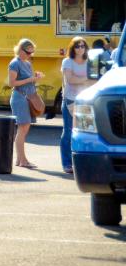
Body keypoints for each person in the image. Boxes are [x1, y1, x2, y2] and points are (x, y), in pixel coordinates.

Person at [9, 38, 44, 169]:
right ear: (20, 50)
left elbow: (29, 81)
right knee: (22, 128)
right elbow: (11, 83)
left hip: (28, 97)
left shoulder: (27, 63)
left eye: (32, 52)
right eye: (28, 52)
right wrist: (30, 78)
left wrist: (35, 77)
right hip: (19, 98)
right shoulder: (14, 63)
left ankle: (20, 159)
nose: (30, 55)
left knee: (24, 128)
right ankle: (22, 160)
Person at [61, 37, 93, 174]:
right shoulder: (67, 61)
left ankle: (83, 164)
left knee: (87, 132)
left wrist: (82, 80)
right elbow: (70, 80)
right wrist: (86, 79)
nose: (80, 48)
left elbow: (95, 80)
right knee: (68, 132)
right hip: (70, 100)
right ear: (72, 48)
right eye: (77, 46)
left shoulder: (89, 61)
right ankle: (67, 164)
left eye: (82, 46)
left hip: (87, 100)